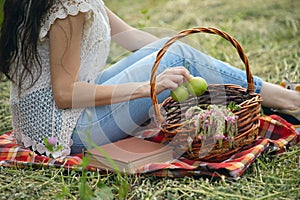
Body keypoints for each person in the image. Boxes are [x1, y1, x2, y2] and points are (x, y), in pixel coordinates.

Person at [0, 0, 299, 157]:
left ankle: (281, 98)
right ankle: (288, 100)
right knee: (177, 57)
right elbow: (64, 94)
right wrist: (146, 88)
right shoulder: (68, 7)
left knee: (174, 51)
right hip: (65, 130)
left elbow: (131, 38)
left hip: (53, 118)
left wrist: (178, 48)